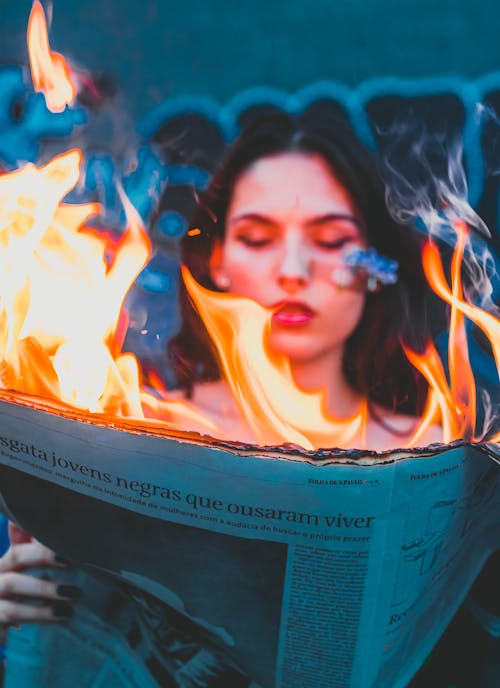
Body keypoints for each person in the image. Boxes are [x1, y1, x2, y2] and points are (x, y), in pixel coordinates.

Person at [0, 109, 448, 684]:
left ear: (374, 268)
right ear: (218, 261)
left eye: (332, 239)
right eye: (257, 238)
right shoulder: (132, 428)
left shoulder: (436, 451)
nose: (293, 269)